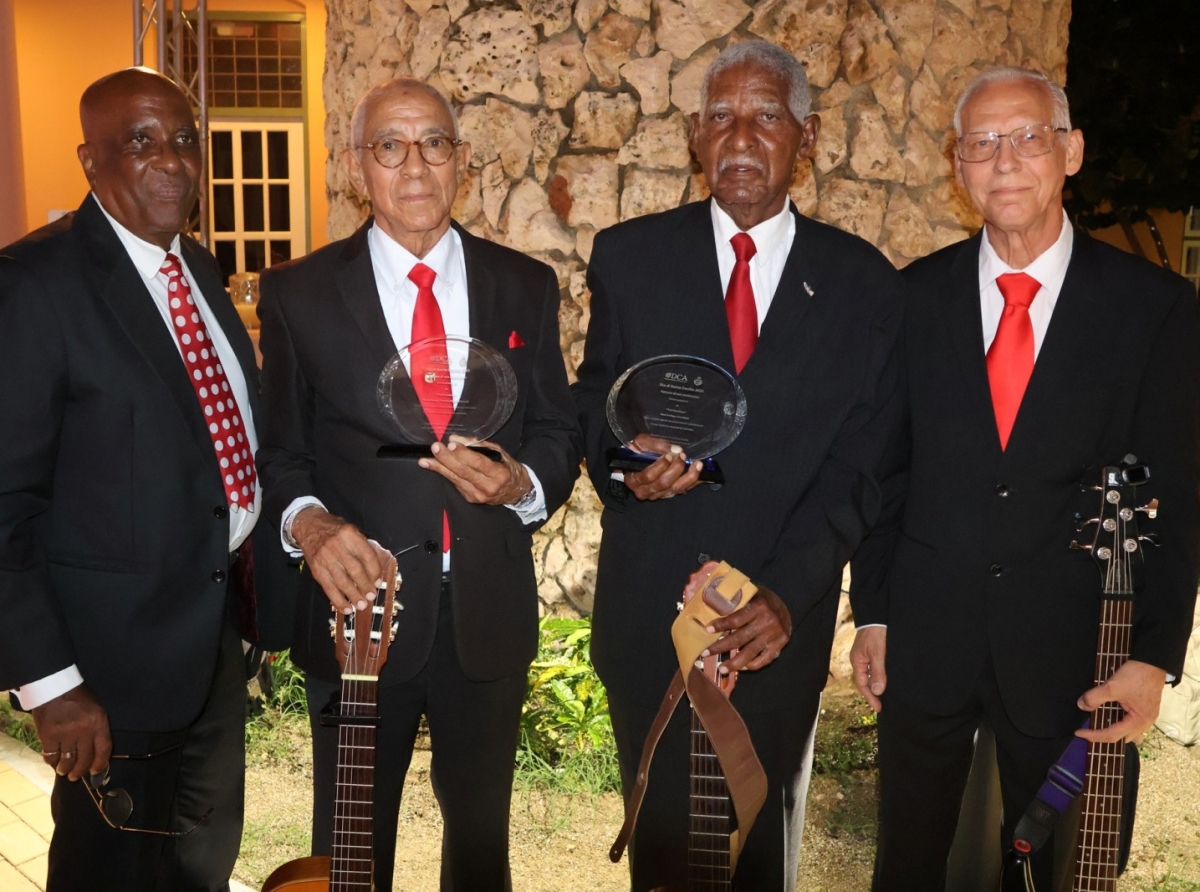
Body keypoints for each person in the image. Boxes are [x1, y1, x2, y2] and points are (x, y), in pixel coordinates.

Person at [850, 66, 1200, 891]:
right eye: (981, 143)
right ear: (957, 165)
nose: (1004, 161)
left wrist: (1153, 656)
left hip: (1079, 655)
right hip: (926, 646)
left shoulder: (1155, 311)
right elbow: (885, 471)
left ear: (1071, 152)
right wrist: (874, 615)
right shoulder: (911, 299)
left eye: (1027, 137)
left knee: (1057, 872)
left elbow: (1176, 497)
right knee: (904, 865)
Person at [573, 40, 905, 891]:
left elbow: (862, 462)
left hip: (772, 630)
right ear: (694, 134)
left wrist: (788, 595)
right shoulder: (629, 256)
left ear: (809, 135)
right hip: (652, 616)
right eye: (720, 117)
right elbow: (593, 404)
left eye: (766, 116)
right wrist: (623, 468)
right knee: (663, 854)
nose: (742, 137)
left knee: (754, 850)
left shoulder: (862, 282)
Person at [256, 77, 581, 891]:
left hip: (485, 615)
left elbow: (556, 431)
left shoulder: (525, 285)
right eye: (390, 145)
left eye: (433, 143)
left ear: (461, 161)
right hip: (359, 616)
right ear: (359, 164)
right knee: (352, 850)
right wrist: (311, 526)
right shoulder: (299, 294)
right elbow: (282, 452)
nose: (414, 166)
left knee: (480, 848)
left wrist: (523, 486)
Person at [0, 68, 268, 891]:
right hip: (106, 675)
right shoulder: (32, 286)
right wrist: (53, 687)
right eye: (141, 142)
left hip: (215, 648)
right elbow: (5, 505)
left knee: (199, 865)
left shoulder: (200, 272)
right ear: (90, 160)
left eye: (186, 140)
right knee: (109, 873)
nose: (172, 161)